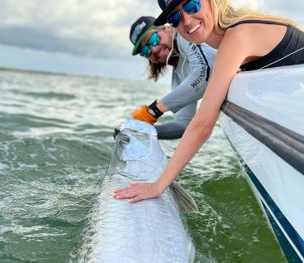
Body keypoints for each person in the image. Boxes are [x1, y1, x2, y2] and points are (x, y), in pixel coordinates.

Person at [114, 0, 304, 202]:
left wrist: (158, 184)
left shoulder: (233, 36)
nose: (186, 20)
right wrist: (146, 132)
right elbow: (186, 124)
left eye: (192, 5)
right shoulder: (208, 53)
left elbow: (203, 119)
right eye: (176, 17)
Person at [129, 15, 216, 139]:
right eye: (146, 51)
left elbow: (206, 73)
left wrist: (153, 111)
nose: (153, 49)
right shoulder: (179, 76)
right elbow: (184, 124)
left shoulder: (186, 36)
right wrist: (144, 131)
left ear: (167, 28)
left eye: (154, 39)